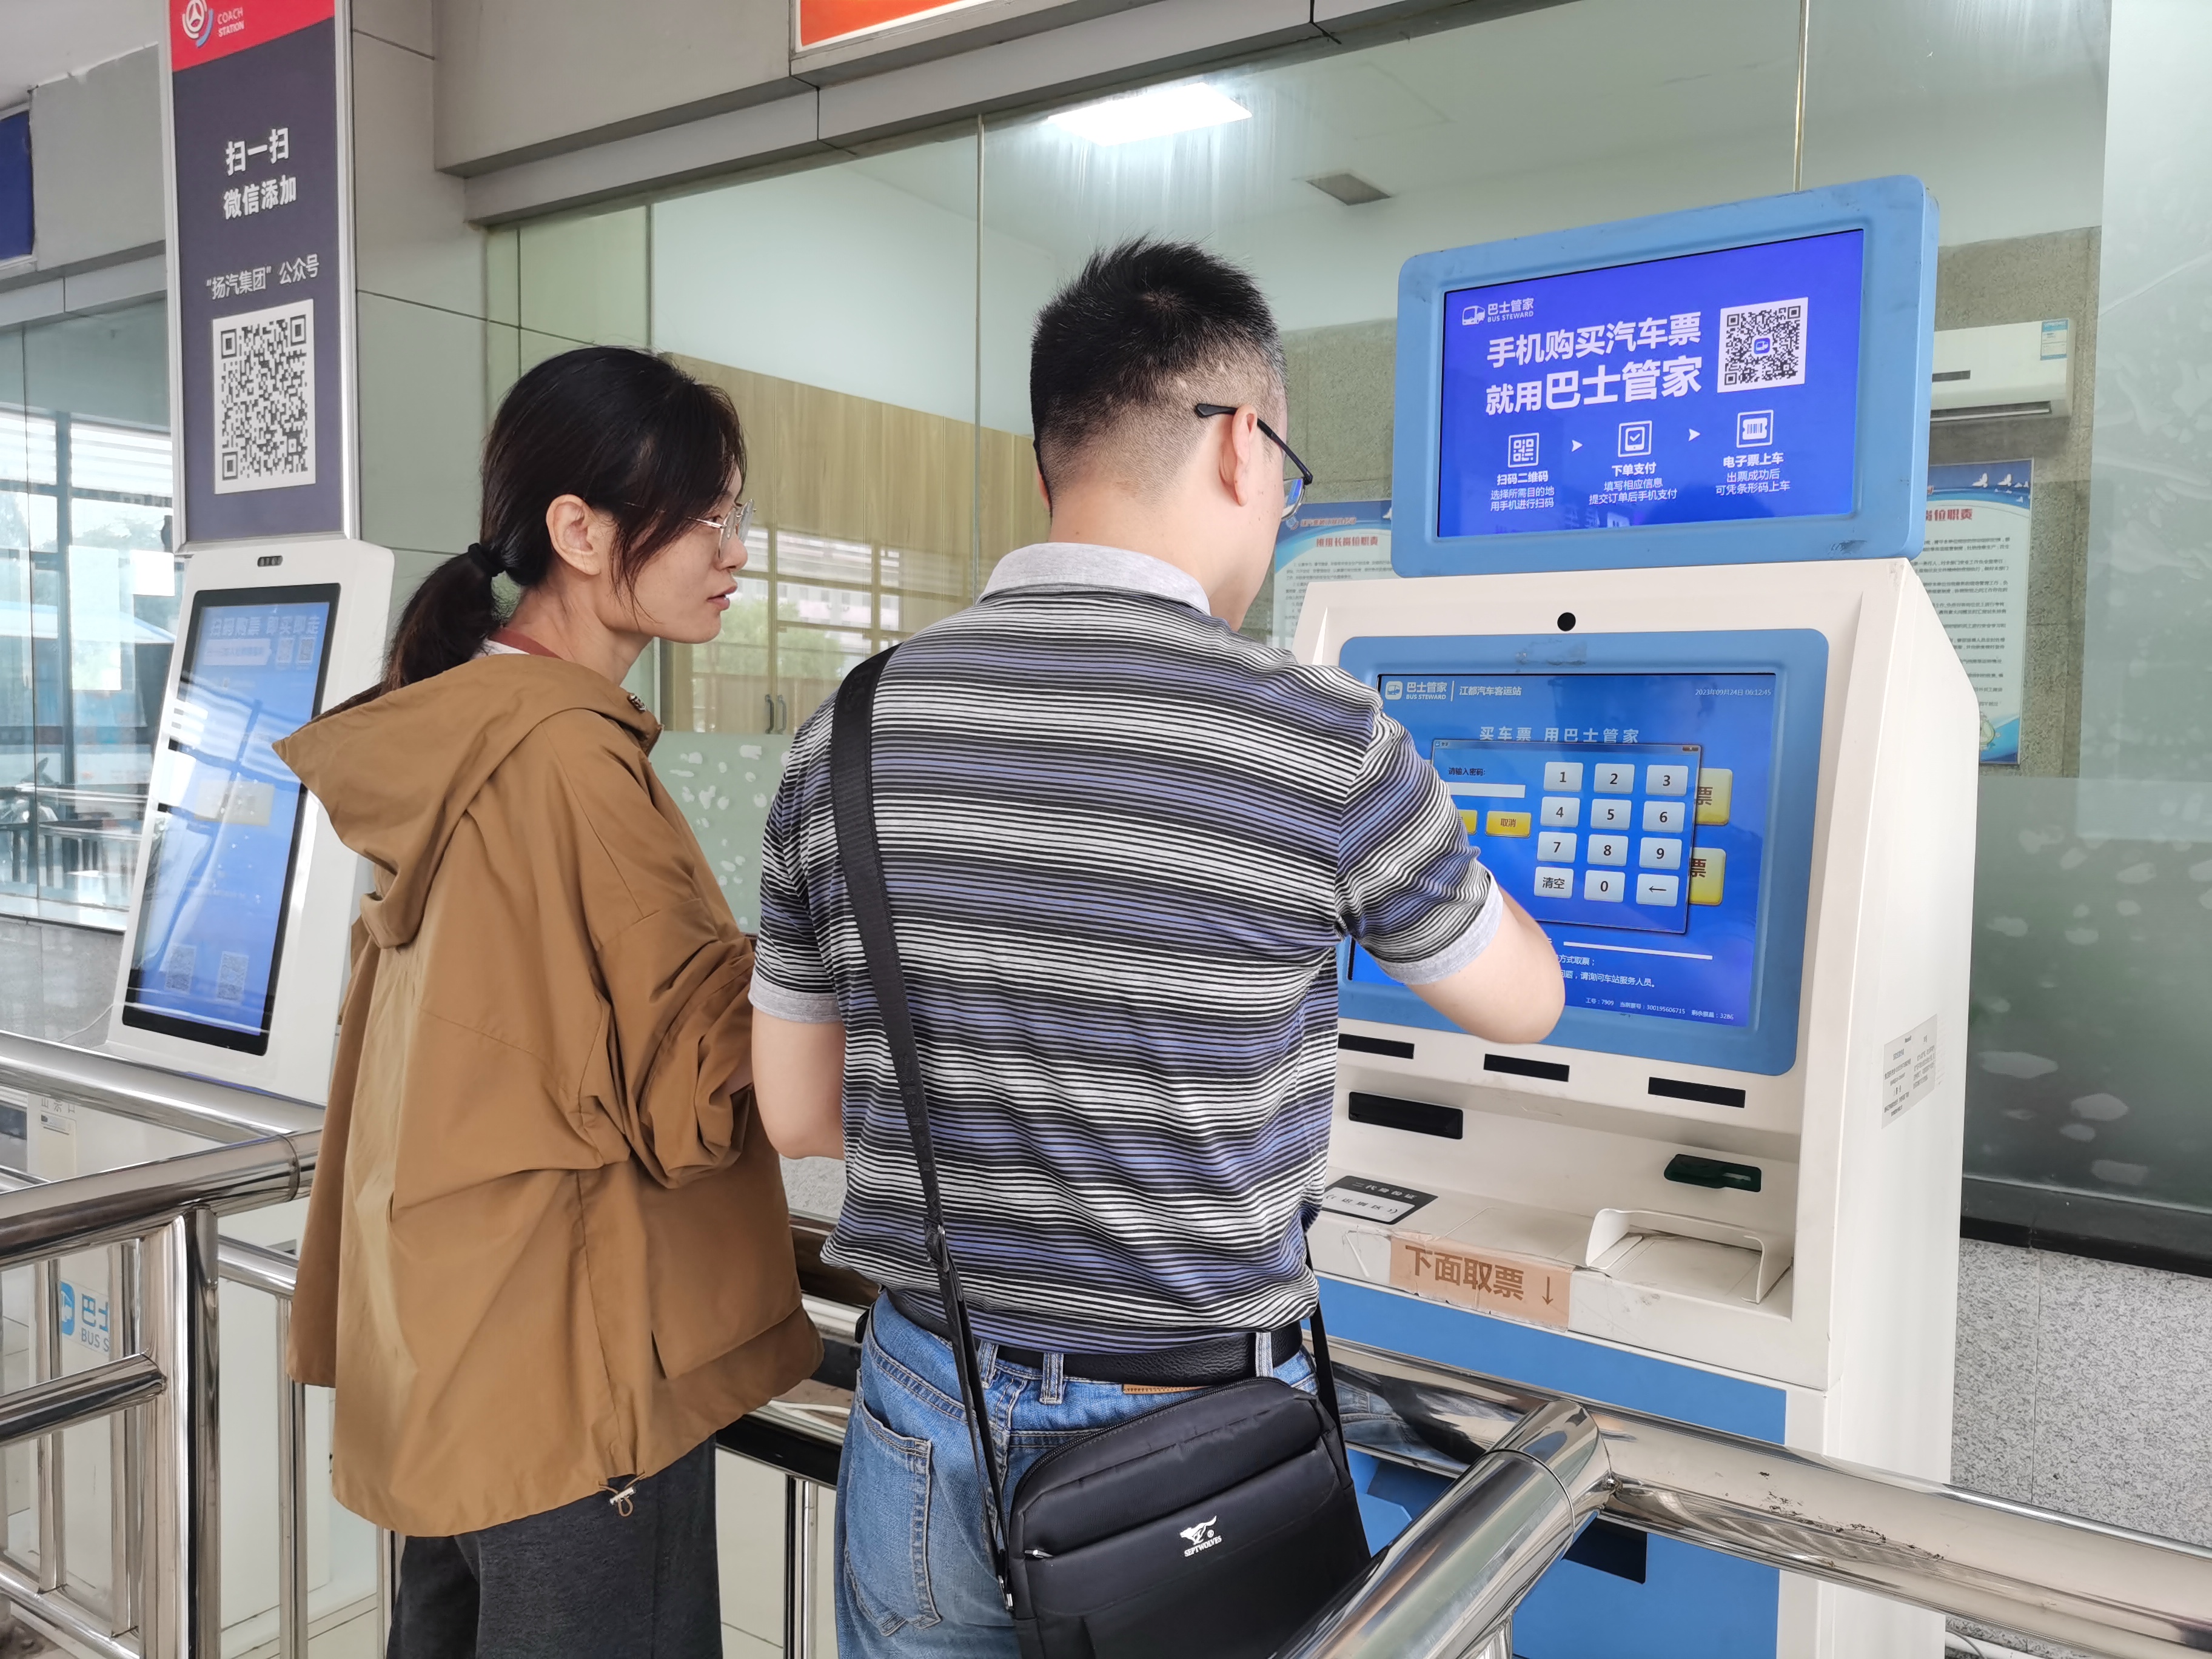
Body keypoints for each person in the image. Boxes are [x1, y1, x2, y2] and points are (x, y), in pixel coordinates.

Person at [746, 240, 1565, 1655]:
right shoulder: (1321, 736)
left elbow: (797, 1111)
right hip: (1194, 1442)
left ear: (1052, 457)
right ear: (1243, 445)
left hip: (927, 1407)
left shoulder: (851, 733)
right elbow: (1522, 1002)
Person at [275, 346, 819, 1658]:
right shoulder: (569, 758)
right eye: (704, 517)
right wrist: (838, 936)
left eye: (734, 513)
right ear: (578, 532)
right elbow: (686, 1087)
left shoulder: (460, 731)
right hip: (579, 1373)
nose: (735, 550)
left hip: (460, 1351)